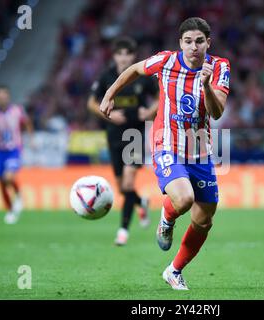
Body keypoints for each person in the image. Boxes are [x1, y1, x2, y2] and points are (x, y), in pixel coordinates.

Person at [99, 17, 230, 290]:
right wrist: (110, 92)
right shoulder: (166, 61)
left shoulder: (219, 67)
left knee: (204, 219)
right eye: (188, 41)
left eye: (199, 41)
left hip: (200, 150)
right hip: (166, 143)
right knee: (183, 199)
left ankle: (174, 270)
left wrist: (205, 84)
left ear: (209, 42)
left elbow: (217, 112)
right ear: (180, 43)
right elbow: (135, 69)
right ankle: (166, 218)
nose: (193, 47)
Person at [88, 37, 159, 246]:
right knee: (121, 188)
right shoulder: (106, 77)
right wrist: (107, 116)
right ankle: (141, 202)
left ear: (133, 56)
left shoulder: (143, 77)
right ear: (114, 56)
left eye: (128, 54)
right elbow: (91, 103)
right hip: (113, 135)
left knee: (128, 182)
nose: (124, 57)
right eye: (120, 53)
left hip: (135, 135)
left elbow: (160, 97)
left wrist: (150, 112)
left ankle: (123, 231)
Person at [0, 85, 33, 224]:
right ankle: (10, 210)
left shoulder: (17, 111)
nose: (1, 99)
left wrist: (31, 138)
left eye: (3, 97)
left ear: (8, 97)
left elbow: (27, 122)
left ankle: (19, 196)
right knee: (1, 183)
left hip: (14, 149)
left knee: (8, 177)